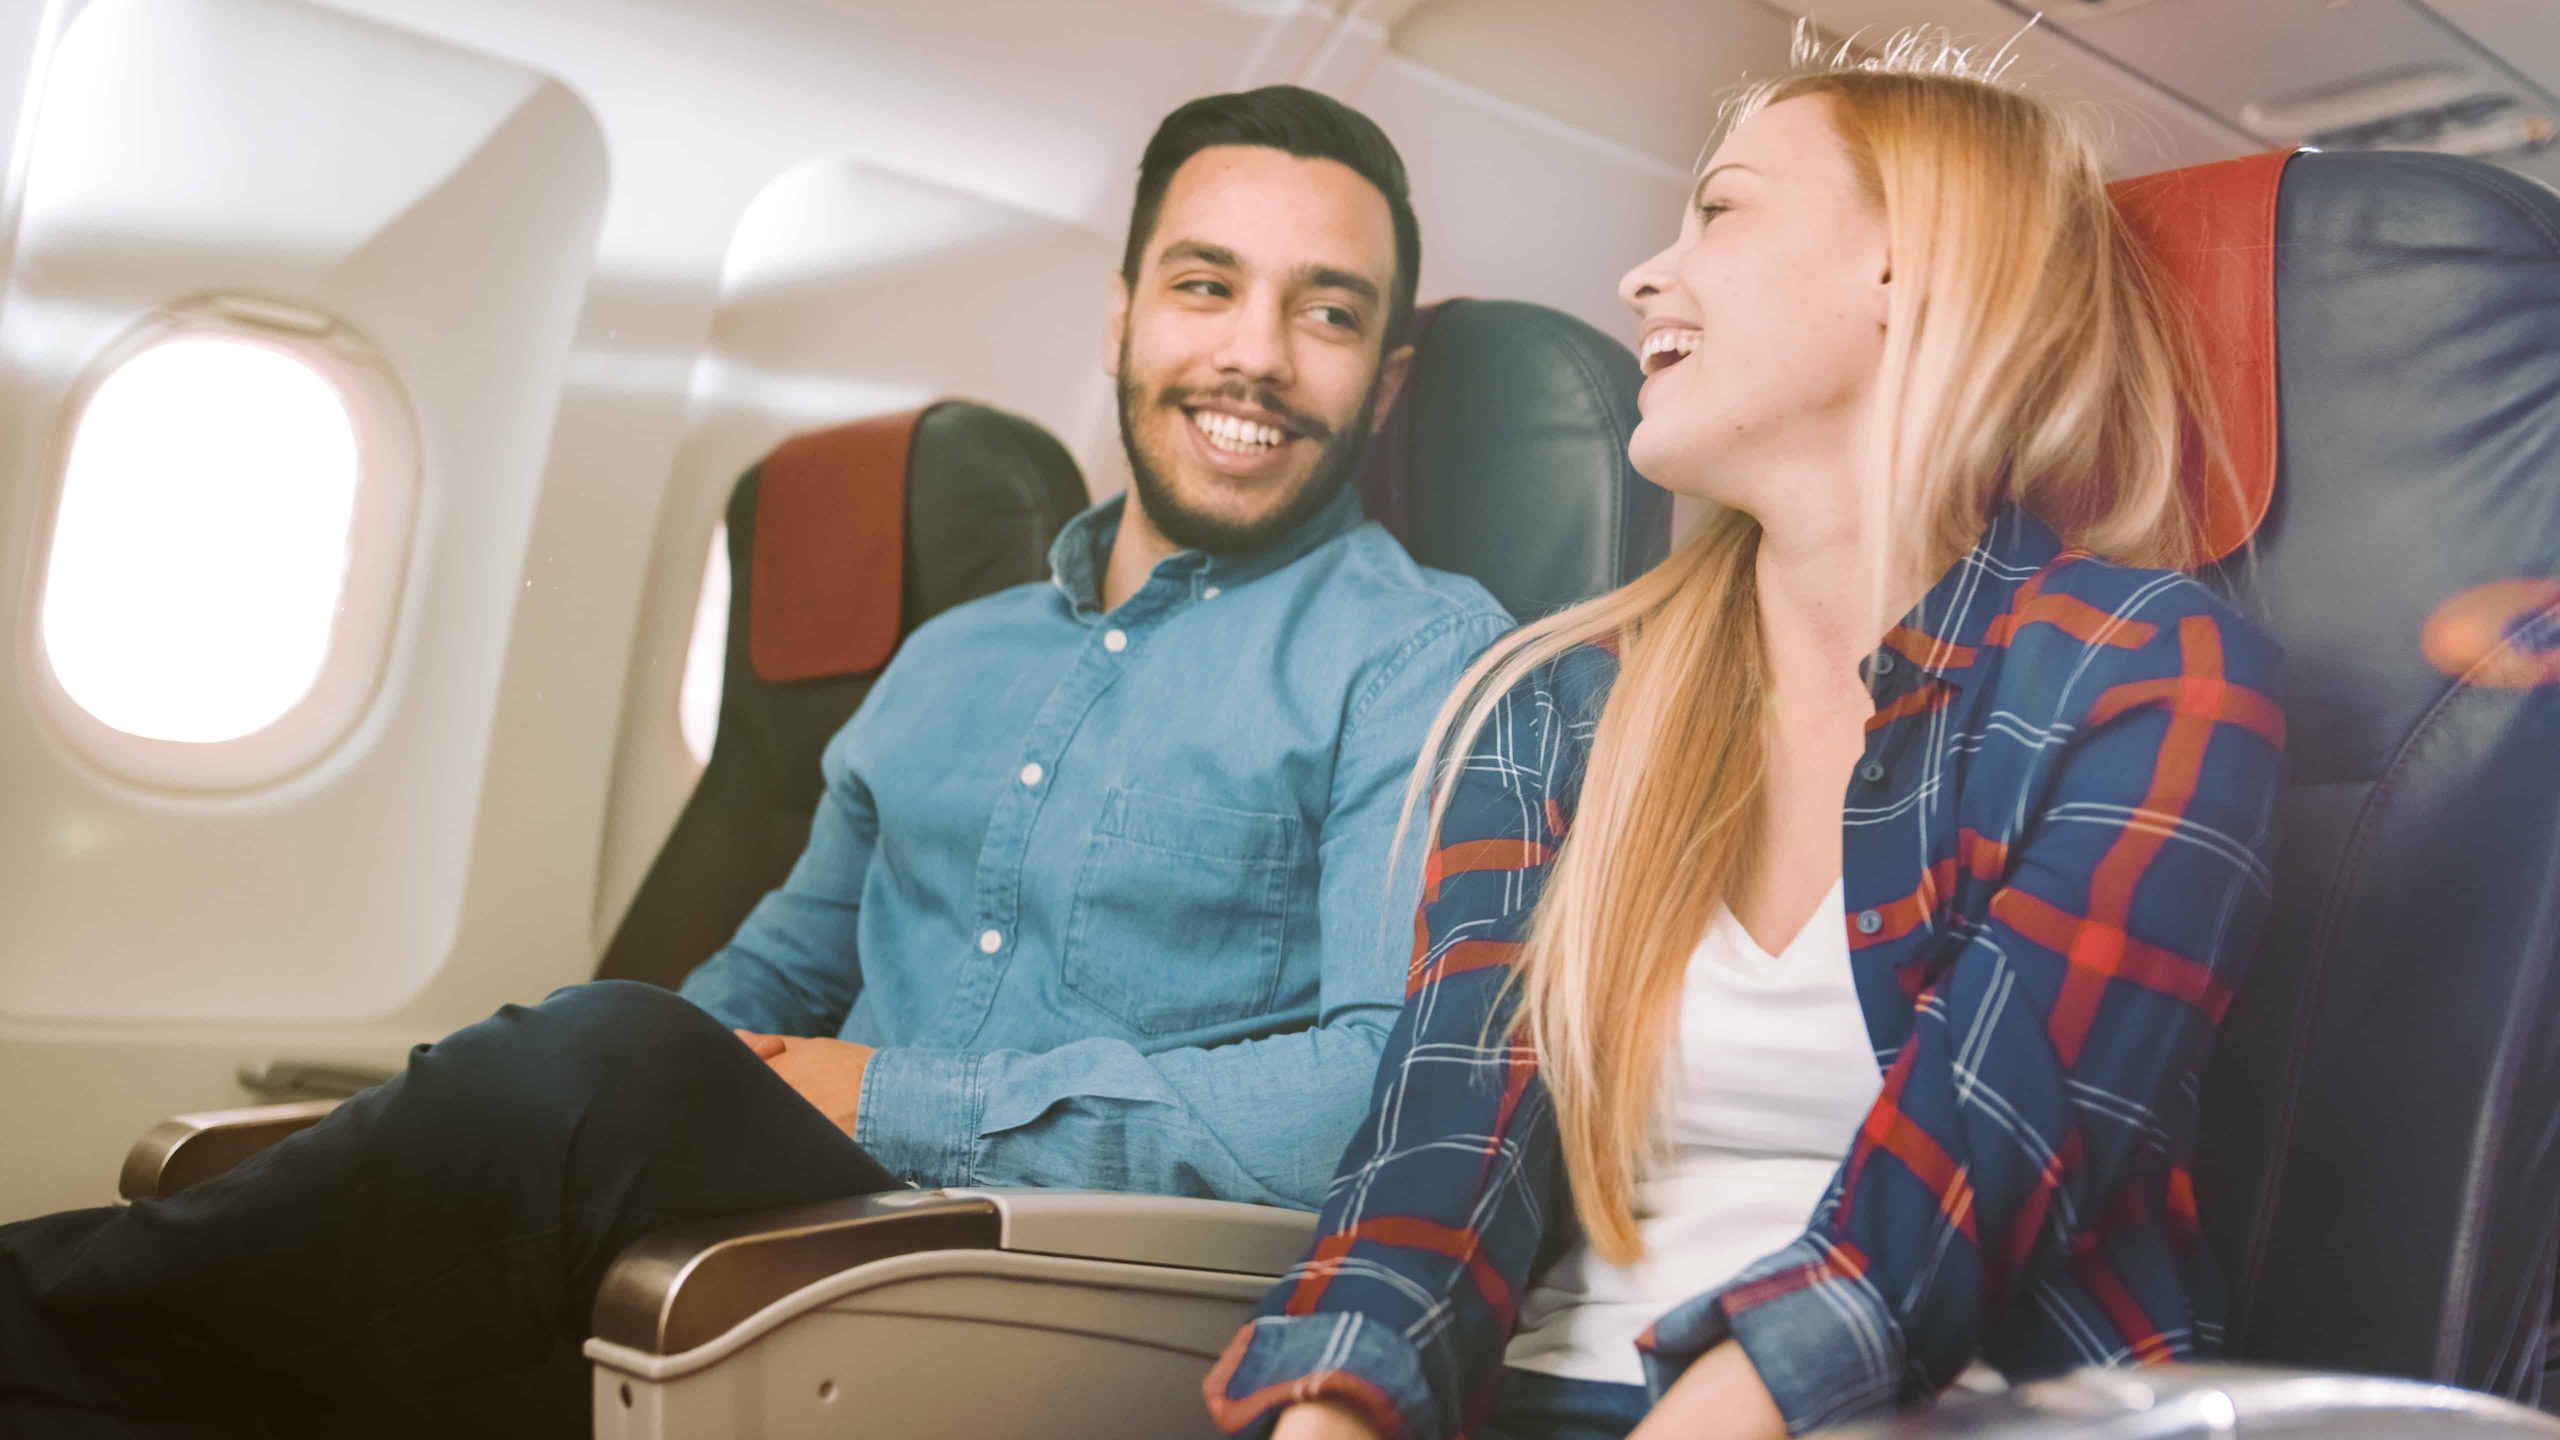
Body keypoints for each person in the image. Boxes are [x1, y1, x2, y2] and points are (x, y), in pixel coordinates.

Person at [0, 85, 1510, 1434]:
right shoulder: (954, 656)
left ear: (1379, 383)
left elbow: (1375, 1096)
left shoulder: (1420, 655)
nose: (1253, 356)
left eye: (1325, 312)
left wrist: (878, 1098)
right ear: (1120, 317)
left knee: (608, 1061)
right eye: (1206, 286)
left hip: (1073, 1272)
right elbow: (767, 983)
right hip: (800, 1231)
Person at [1206, 30, 2286, 1440]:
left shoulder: (2144, 676)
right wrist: (1327, 1416)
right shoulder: (1562, 704)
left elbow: (1958, 1201)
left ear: (1906, 266)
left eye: (1718, 209)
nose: (1643, 278)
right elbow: (1433, 1171)